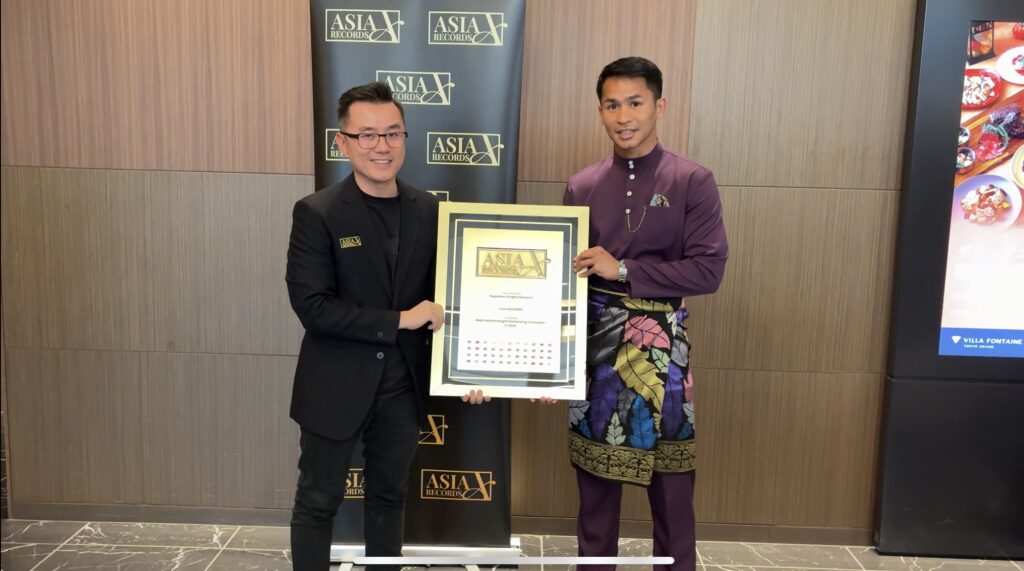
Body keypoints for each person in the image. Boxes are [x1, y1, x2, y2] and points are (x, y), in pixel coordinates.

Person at [285, 81, 487, 571]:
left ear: (405, 139)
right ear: (343, 142)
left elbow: (457, 301)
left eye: (393, 134)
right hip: (334, 385)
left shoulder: (432, 212)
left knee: (389, 499)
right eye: (368, 135)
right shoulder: (318, 213)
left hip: (403, 386)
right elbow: (313, 307)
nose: (382, 146)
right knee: (317, 499)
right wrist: (401, 319)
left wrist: (471, 366)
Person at [564, 57, 728, 571]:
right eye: (611, 105)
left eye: (635, 102)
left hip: (666, 354)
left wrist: (624, 270)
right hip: (596, 351)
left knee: (673, 493)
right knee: (595, 493)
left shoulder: (692, 180)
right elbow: (565, 284)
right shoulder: (582, 185)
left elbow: (708, 272)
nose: (623, 116)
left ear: (659, 106)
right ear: (600, 112)